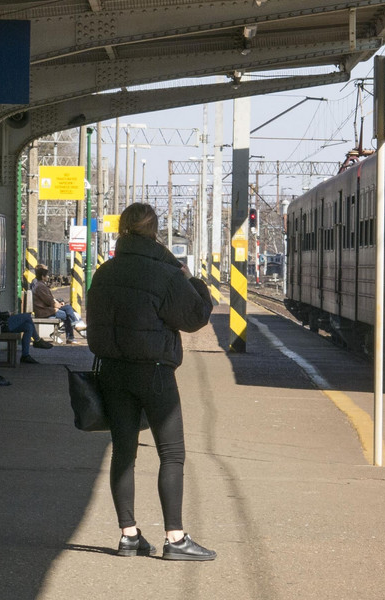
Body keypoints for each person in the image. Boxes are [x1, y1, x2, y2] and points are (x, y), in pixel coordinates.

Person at [87, 202, 216, 561]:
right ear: (155, 232)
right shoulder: (167, 273)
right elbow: (195, 317)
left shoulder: (104, 272)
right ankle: (175, 539)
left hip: (112, 372)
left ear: (122, 230)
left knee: (123, 453)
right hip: (155, 372)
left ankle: (128, 536)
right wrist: (194, 281)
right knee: (171, 454)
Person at [0, 272, 52, 365]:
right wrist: (7, 314)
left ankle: (25, 355)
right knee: (27, 316)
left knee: (28, 327)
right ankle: (37, 340)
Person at [31, 265, 85, 343]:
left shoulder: (41, 285)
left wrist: (59, 303)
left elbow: (49, 300)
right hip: (44, 311)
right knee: (67, 314)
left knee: (68, 308)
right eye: (46, 275)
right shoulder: (40, 286)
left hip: (47, 309)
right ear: (43, 277)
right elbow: (49, 301)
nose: (48, 277)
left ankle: (73, 327)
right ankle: (72, 332)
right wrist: (58, 305)